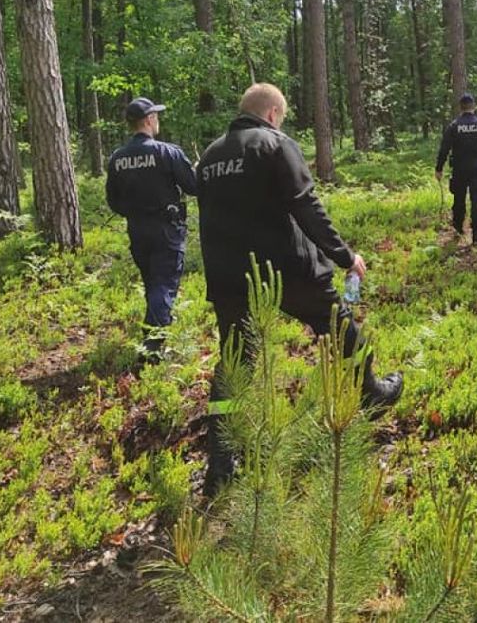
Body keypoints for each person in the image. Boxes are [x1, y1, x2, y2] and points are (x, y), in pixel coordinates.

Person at [196, 83, 403, 497]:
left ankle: (220, 457)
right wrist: (345, 257)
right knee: (342, 329)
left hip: (230, 278)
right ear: (272, 113)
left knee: (235, 363)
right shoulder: (275, 144)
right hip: (288, 270)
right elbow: (305, 204)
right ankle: (372, 393)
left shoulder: (210, 156)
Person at [106, 97, 197, 361]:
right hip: (166, 230)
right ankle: (152, 351)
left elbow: (113, 201)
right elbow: (193, 186)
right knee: (163, 286)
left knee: (152, 284)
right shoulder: (167, 152)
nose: (158, 120)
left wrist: (136, 213)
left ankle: (152, 336)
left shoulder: (117, 158)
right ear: (148, 120)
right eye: (155, 116)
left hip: (137, 230)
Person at [435, 93, 477, 243]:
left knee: (459, 199)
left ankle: (458, 228)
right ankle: (476, 234)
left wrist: (439, 168)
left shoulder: (454, 126)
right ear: (473, 106)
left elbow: (444, 148)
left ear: (461, 107)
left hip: (459, 168)